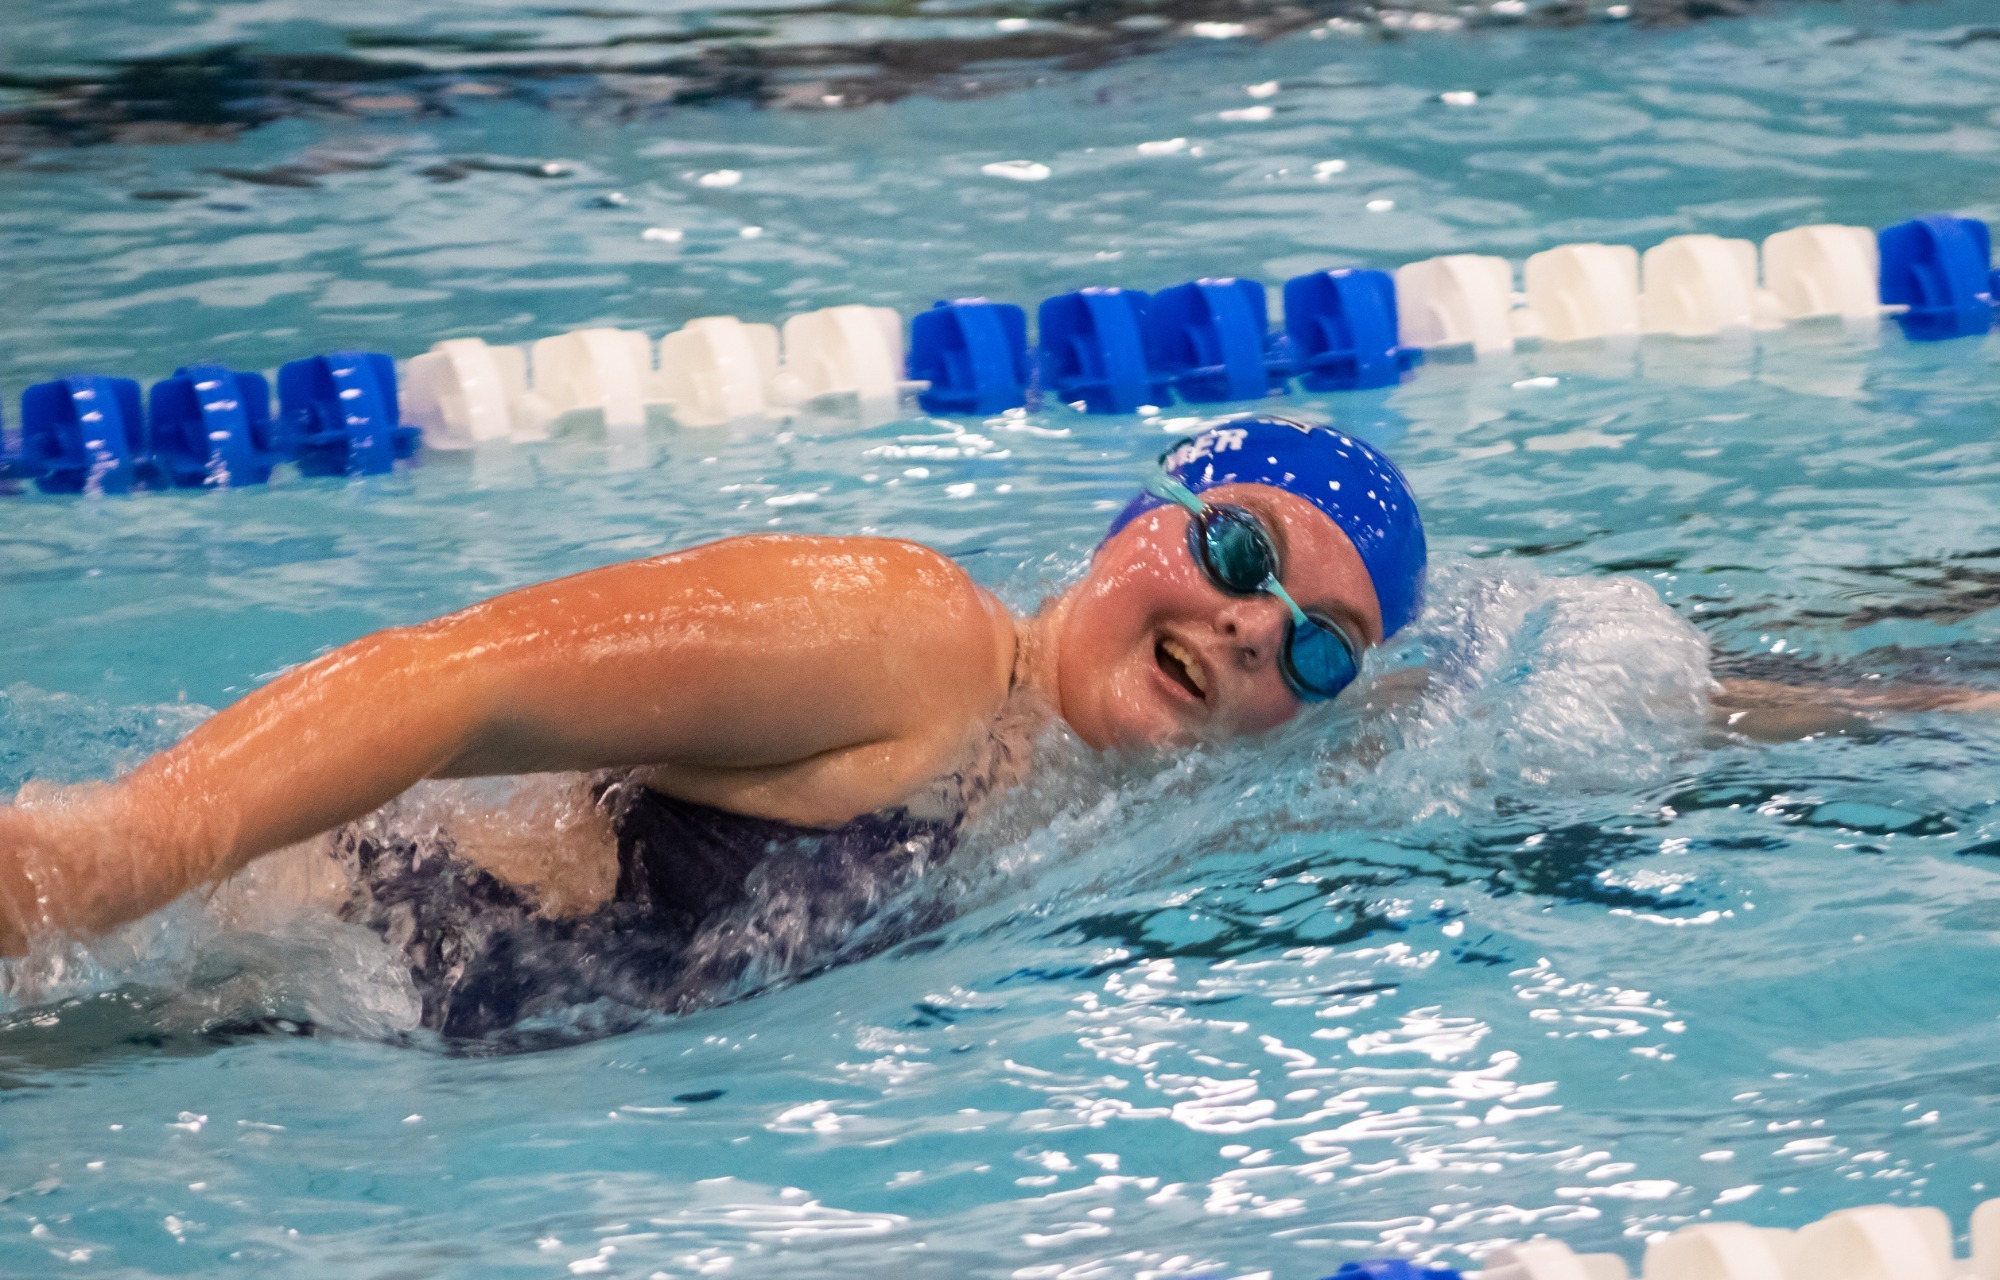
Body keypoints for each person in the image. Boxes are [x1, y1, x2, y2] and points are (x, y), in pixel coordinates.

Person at [0, 416, 1426, 1036]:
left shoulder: (1076, 784)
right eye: (1243, 553)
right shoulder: (912, 636)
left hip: (252, 1031)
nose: (1255, 627)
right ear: (1136, 525)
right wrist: (126, 850)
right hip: (233, 949)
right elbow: (459, 676)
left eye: (1315, 643)